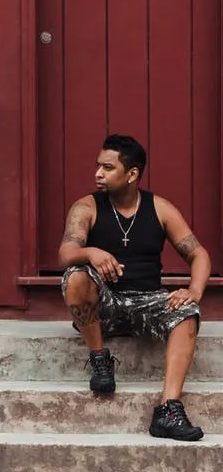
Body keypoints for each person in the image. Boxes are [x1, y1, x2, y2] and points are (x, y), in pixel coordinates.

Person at [58, 133, 210, 442]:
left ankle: (168, 409)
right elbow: (65, 254)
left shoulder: (160, 209)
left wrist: (194, 290)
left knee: (188, 312)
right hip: (105, 305)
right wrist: (90, 253)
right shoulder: (86, 207)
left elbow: (198, 254)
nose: (98, 174)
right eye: (98, 166)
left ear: (132, 174)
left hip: (147, 302)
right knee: (75, 276)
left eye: (108, 168)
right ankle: (100, 359)